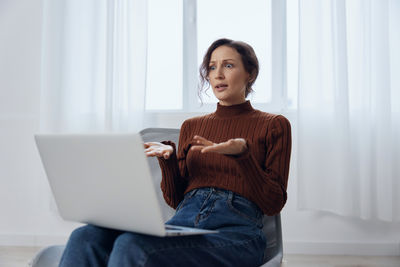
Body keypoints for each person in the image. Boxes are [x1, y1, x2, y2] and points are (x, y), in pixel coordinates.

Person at [59, 38, 291, 267]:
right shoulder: (192, 126)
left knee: (132, 246)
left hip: (236, 234)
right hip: (185, 223)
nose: (218, 74)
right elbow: (176, 199)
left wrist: (243, 158)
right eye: (212, 67)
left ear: (250, 73)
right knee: (85, 237)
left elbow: (273, 203)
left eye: (228, 65)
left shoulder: (274, 125)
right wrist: (167, 160)